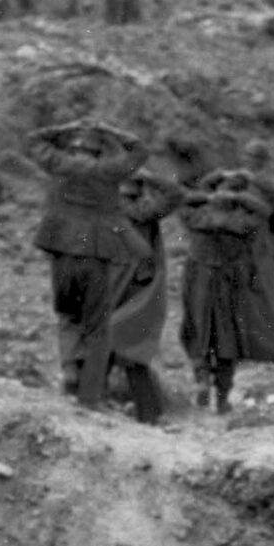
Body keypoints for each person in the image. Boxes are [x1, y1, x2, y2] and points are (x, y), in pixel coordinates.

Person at [29, 118, 149, 412]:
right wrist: (112, 130)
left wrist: (65, 126)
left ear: (73, 148)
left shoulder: (59, 163)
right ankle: (90, 395)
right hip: (95, 253)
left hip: (61, 251)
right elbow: (140, 150)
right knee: (96, 327)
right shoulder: (108, 171)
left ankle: (70, 372)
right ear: (98, 152)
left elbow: (34, 139)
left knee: (67, 314)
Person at [178, 168, 274, 415]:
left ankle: (202, 377)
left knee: (198, 330)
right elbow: (264, 210)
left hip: (199, 281)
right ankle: (222, 397)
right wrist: (240, 193)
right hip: (230, 284)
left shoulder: (198, 218)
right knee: (228, 340)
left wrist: (213, 183)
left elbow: (185, 200)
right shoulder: (242, 223)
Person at [91, 164, 181, 421]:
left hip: (136, 293)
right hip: (112, 289)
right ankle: (97, 402)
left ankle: (150, 414)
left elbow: (175, 195)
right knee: (108, 346)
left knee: (127, 351)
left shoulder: (142, 213)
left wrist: (150, 176)